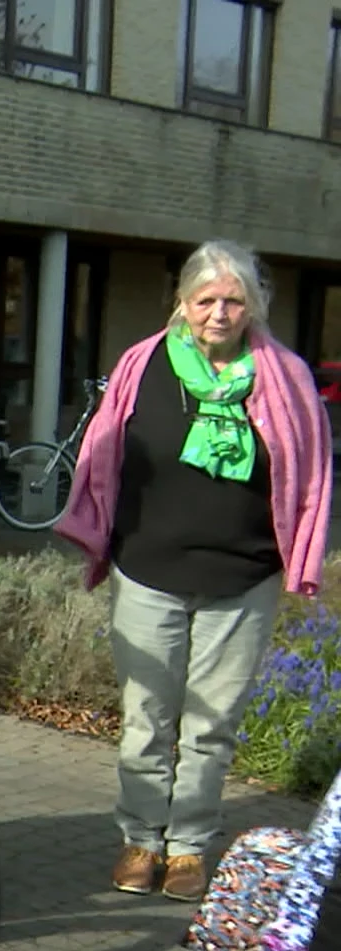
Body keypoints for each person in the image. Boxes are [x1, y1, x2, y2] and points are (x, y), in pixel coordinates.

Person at [56, 238, 332, 902]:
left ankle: (187, 848)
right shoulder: (142, 363)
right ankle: (141, 840)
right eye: (206, 299)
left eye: (234, 300)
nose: (219, 312)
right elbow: (102, 451)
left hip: (244, 576)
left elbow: (313, 470)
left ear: (254, 306)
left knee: (212, 724)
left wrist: (300, 553)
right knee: (147, 715)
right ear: (182, 303)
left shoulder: (284, 375)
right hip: (148, 567)